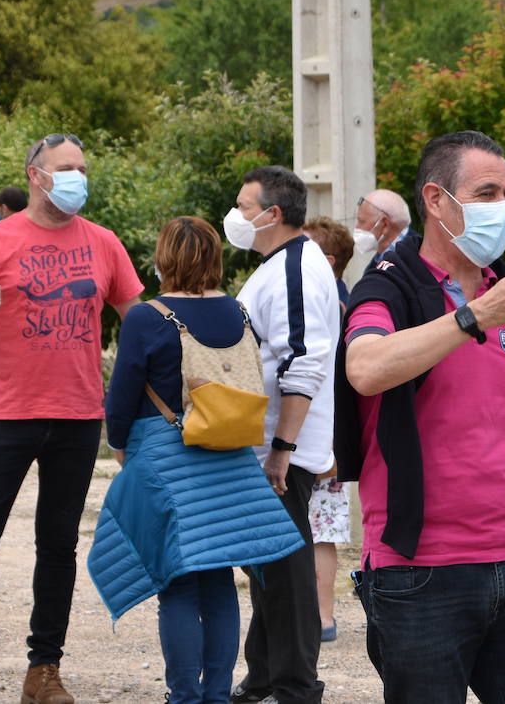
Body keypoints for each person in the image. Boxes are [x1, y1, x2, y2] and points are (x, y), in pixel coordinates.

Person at [338, 130, 505, 703]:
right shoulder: (389, 287)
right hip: (420, 575)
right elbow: (365, 367)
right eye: (486, 192)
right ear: (436, 200)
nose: (502, 207)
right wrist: (471, 317)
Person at [0, 133, 144, 704]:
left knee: (58, 545)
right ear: (35, 175)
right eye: (67, 168)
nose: (78, 177)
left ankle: (44, 672)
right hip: (8, 414)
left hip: (79, 413)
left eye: (83, 168)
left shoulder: (104, 243)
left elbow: (137, 320)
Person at [88, 217, 305, 704]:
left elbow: (121, 396)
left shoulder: (148, 317)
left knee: (178, 585)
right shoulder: (239, 313)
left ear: (165, 258)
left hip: (168, 456)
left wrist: (121, 446)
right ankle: (217, 695)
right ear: (214, 257)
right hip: (229, 462)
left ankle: (184, 695)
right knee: (221, 583)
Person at [228, 167, 340, 704]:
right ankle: (266, 676)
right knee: (268, 566)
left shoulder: (296, 268)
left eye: (243, 206)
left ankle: (297, 686)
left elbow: (303, 360)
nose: (236, 217)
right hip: (270, 444)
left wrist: (282, 449)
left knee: (288, 570)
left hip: (282, 449)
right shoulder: (278, 266)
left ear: (272, 214)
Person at [301, 216, 357, 643]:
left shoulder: (327, 305)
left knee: (314, 532)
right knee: (324, 533)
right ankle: (324, 616)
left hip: (321, 434)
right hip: (334, 435)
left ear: (328, 260)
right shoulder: (350, 302)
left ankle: (314, 615)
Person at [351, 189, 411, 273]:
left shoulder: (416, 260)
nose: (357, 227)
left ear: (384, 224)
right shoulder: (381, 259)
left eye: (361, 221)